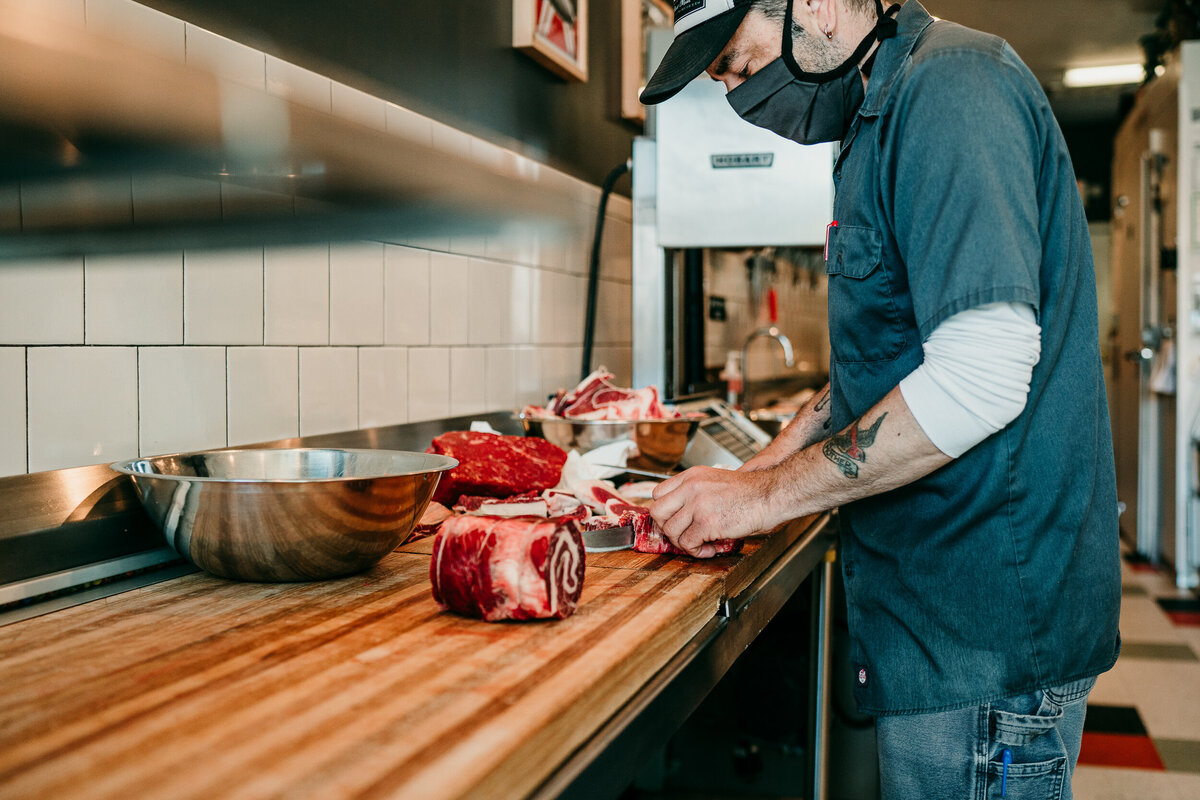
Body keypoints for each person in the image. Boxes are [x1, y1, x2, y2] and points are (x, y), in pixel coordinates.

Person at [640, 1, 1121, 798]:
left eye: (734, 59)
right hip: (937, 623)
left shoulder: (953, 91)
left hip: (983, 634)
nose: (728, 88)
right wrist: (764, 463)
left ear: (818, 5)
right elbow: (893, 356)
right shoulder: (876, 119)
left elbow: (980, 373)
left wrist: (762, 498)